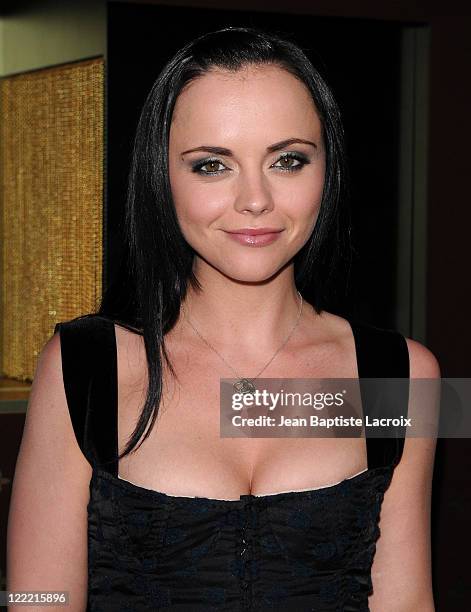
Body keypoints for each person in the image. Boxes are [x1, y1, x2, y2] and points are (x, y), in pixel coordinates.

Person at [7, 26, 439, 611]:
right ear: (163, 178)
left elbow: (407, 601)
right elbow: (38, 599)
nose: (255, 198)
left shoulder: (403, 376)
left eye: (288, 160)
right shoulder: (81, 367)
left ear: (327, 170)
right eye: (213, 165)